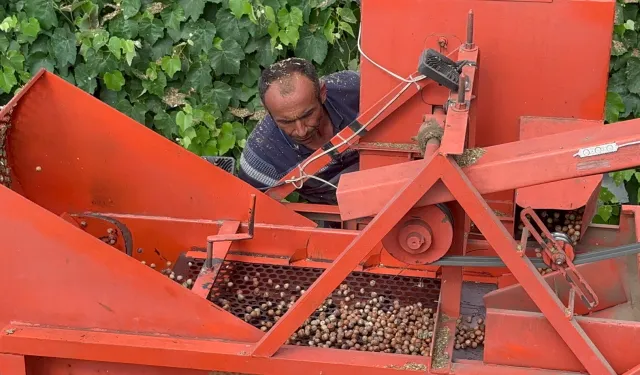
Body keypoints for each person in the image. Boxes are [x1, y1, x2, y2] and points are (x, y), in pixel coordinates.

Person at [238, 57, 361, 205]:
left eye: (307, 115)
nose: (301, 131)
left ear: (322, 93)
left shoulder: (356, 91)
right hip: (335, 212)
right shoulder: (261, 157)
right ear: (268, 111)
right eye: (286, 122)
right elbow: (249, 211)